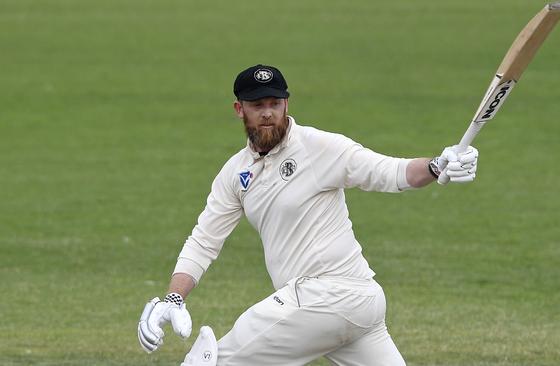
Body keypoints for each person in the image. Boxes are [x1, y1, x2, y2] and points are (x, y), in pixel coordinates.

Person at [138, 64, 479, 366]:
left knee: (212, 362)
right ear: (239, 110)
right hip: (340, 309)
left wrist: (436, 166)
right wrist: (174, 297)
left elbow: (389, 172)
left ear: (287, 104)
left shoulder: (319, 147)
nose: (268, 113)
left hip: (332, 295)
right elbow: (204, 240)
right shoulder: (234, 174)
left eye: (275, 104)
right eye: (258, 106)